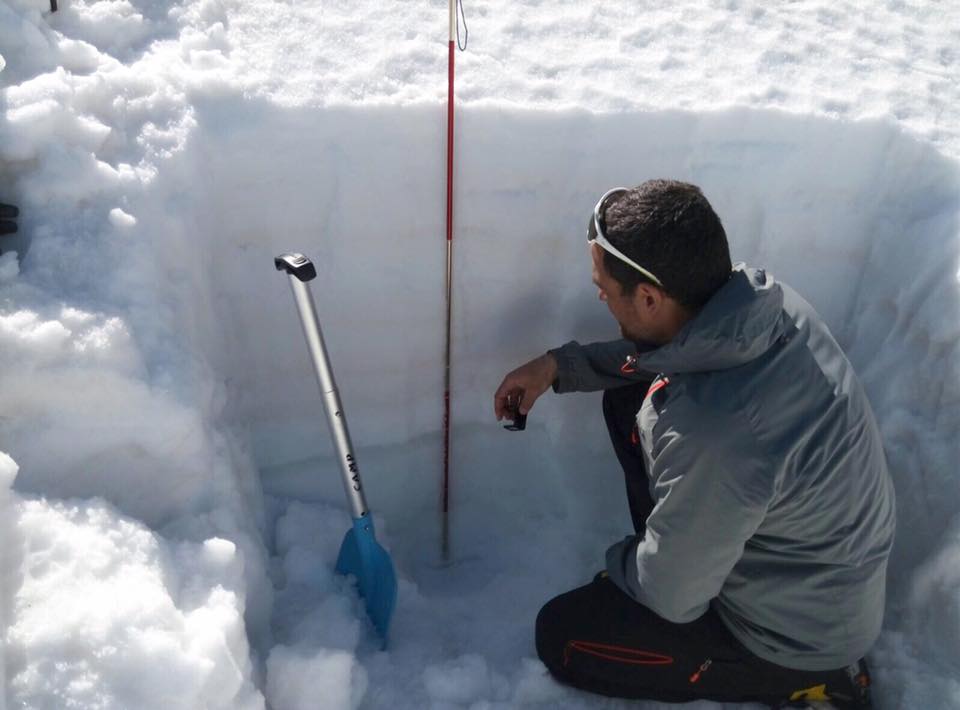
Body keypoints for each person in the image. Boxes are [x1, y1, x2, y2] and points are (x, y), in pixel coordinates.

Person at [493, 180, 895, 709]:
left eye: (604, 287)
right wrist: (558, 368)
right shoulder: (759, 304)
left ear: (650, 297)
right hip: (816, 572)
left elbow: (671, 598)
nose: (597, 294)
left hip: (794, 638)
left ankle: (819, 685)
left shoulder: (719, 432)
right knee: (631, 400)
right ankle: (684, 545)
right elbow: (668, 353)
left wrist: (631, 570)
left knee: (562, 635)